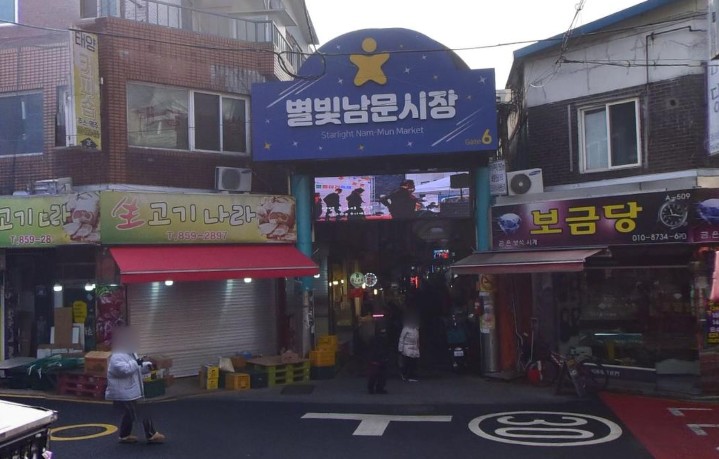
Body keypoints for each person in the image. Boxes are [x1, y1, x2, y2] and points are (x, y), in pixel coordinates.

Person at [106, 325, 166, 444]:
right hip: (123, 392)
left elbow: (135, 368)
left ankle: (124, 435)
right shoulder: (117, 356)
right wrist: (138, 362)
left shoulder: (131, 353)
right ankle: (151, 434)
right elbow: (124, 370)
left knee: (130, 414)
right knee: (141, 411)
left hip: (130, 390)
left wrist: (147, 366)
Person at [367, 325, 390, 394]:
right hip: (381, 359)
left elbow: (370, 348)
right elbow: (386, 349)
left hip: (375, 359)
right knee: (382, 375)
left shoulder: (373, 339)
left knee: (374, 374)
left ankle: (371, 388)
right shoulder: (385, 339)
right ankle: (379, 388)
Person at [398, 316, 420, 382]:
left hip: (414, 348)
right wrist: (400, 349)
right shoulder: (406, 329)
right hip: (407, 348)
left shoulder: (416, 329)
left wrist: (418, 347)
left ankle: (410, 375)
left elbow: (417, 340)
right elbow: (401, 339)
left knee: (413, 362)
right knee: (407, 362)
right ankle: (405, 375)